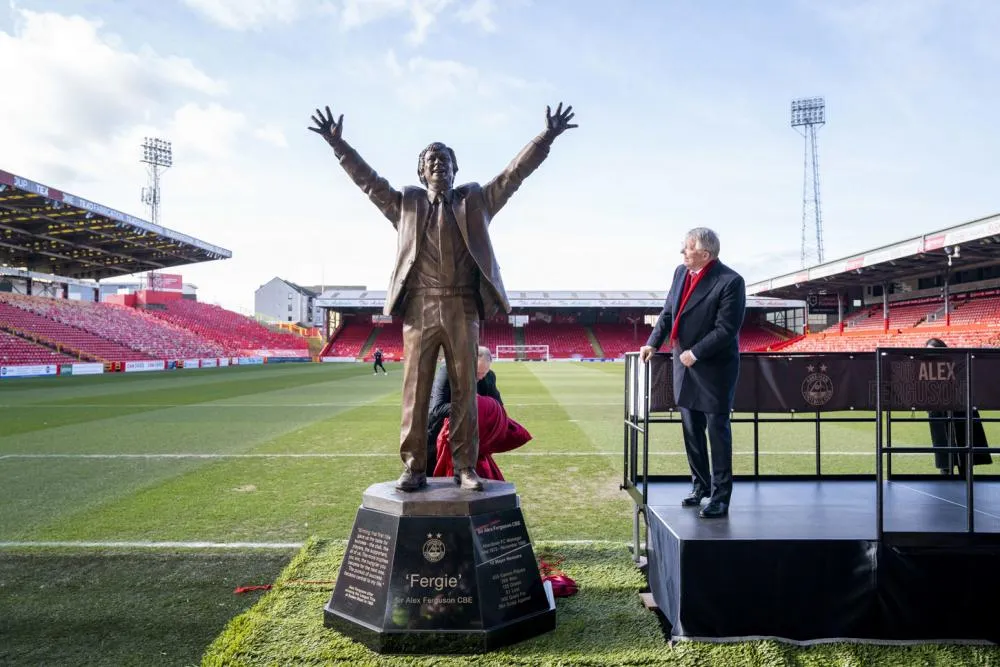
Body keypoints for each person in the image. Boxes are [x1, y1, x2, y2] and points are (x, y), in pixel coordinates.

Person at [309, 102, 576, 492]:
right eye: (432, 160)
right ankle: (414, 466)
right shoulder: (405, 204)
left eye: (446, 160)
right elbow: (368, 181)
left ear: (456, 169)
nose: (439, 165)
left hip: (462, 306)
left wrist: (545, 137)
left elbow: (513, 174)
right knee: (415, 390)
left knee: (465, 388)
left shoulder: (476, 202)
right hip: (419, 306)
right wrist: (339, 146)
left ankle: (465, 465)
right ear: (422, 171)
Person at [639, 228, 746, 518]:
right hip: (682, 365)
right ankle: (701, 486)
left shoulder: (730, 281)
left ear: (705, 254)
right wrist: (652, 343)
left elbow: (726, 329)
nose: (682, 252)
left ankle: (721, 497)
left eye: (687, 248)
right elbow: (668, 312)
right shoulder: (680, 272)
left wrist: (695, 352)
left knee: (717, 432)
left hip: (713, 369)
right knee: (691, 430)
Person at [426, 346, 502, 472]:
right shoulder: (447, 371)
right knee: (434, 477)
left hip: (466, 437)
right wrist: (474, 407)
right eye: (478, 373)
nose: (481, 377)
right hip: (437, 434)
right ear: (469, 363)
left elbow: (498, 405)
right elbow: (437, 409)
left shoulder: (489, 377)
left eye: (485, 372)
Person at [924, 338, 992, 475]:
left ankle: (966, 489)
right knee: (944, 460)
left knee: (964, 459)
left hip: (961, 413)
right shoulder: (925, 370)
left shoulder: (958, 366)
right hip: (938, 415)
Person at [433, 394, 532, 482]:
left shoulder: (488, 379)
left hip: (469, 429)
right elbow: (438, 408)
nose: (481, 377)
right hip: (459, 428)